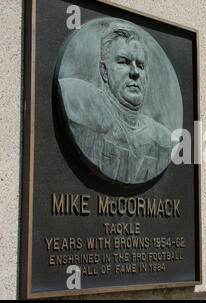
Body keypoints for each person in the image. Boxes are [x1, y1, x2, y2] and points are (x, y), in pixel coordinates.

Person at [58, 21, 176, 184]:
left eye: (140, 65)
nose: (135, 73)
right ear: (104, 72)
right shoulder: (78, 105)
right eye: (124, 62)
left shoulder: (163, 140)